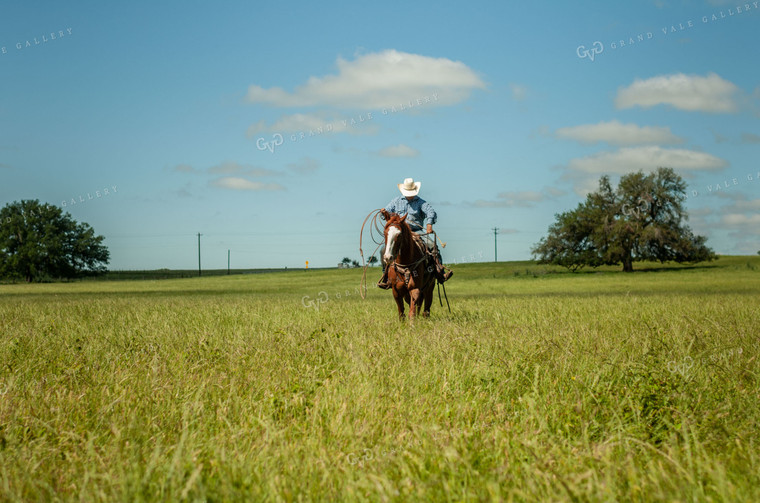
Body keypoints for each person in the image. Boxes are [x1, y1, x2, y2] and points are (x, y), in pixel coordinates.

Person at [377, 177, 453, 289]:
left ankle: (439, 271)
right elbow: (385, 213)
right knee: (384, 250)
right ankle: (386, 275)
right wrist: (383, 213)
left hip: (416, 231)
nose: (409, 195)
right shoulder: (396, 201)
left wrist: (429, 224)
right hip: (400, 232)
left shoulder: (421, 203)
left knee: (432, 246)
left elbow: (431, 212)